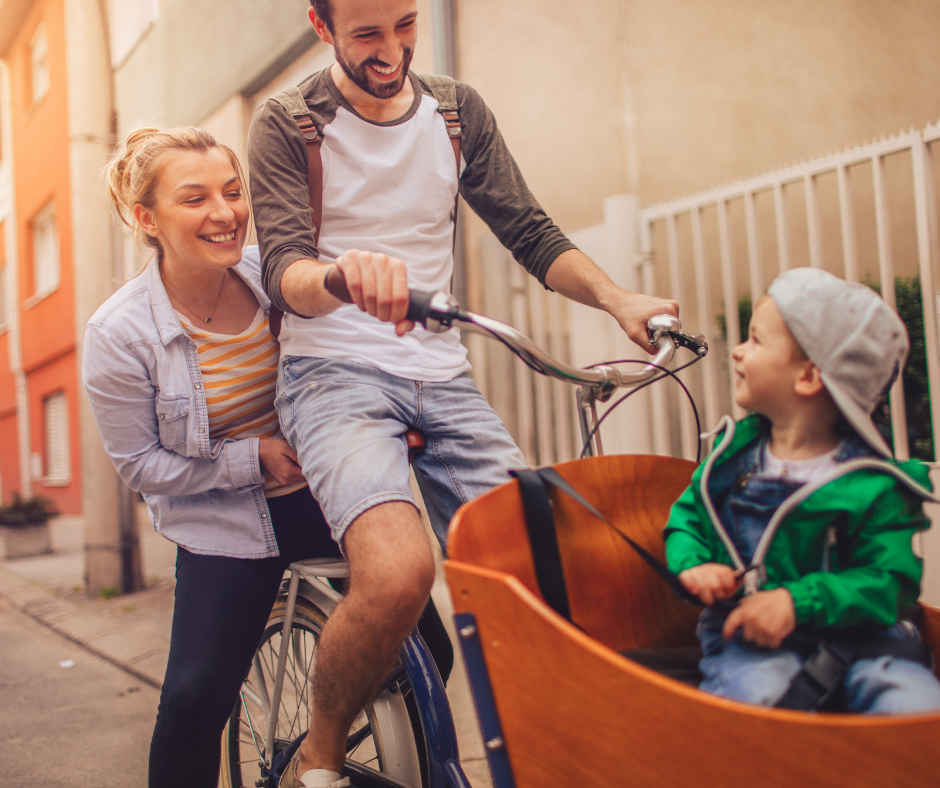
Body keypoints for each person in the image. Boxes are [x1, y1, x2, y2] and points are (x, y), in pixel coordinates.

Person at [247, 1, 680, 785]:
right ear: (321, 25)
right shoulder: (287, 122)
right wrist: (342, 277)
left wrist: (622, 301)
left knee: (548, 565)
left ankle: (553, 753)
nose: (392, 51)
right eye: (367, 34)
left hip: (442, 378)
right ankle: (319, 755)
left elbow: (532, 232)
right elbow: (283, 271)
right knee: (397, 575)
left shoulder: (454, 111)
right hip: (332, 374)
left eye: (405, 24)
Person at [83, 126, 344, 788]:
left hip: (323, 497)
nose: (225, 212)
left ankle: (327, 751)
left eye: (232, 191)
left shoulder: (274, 275)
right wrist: (250, 458)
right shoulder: (119, 334)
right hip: (224, 525)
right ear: (147, 219)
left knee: (421, 644)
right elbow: (141, 466)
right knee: (195, 702)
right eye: (195, 198)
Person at [664, 267, 940, 714]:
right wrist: (694, 565)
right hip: (751, 641)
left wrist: (797, 601)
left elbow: (887, 582)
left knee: (914, 706)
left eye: (754, 339)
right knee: (760, 699)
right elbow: (688, 520)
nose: (736, 351)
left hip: (868, 642)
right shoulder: (729, 458)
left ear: (809, 377)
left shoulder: (876, 484)